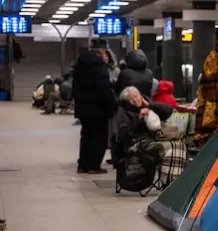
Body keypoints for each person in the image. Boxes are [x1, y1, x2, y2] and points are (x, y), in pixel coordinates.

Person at [112, 86, 187, 185]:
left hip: (154, 139)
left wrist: (150, 105)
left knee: (179, 145)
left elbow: (168, 111)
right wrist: (140, 118)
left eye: (136, 96)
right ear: (126, 101)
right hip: (136, 142)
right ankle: (168, 181)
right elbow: (123, 132)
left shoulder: (148, 104)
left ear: (141, 96)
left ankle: (174, 179)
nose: (135, 100)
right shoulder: (122, 110)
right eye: (131, 99)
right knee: (168, 147)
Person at [73, 39, 117, 174]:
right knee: (99, 137)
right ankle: (93, 165)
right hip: (98, 109)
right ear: (102, 51)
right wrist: (112, 104)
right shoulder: (99, 67)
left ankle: (83, 165)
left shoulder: (80, 65)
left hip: (83, 108)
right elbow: (103, 90)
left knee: (86, 136)